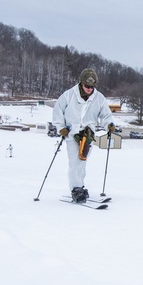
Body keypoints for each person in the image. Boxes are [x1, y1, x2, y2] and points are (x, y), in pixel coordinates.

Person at [52, 68, 115, 203]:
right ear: (81, 83)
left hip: (88, 134)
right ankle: (76, 189)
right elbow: (58, 111)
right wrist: (60, 127)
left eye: (92, 86)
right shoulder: (69, 95)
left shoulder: (99, 98)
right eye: (87, 86)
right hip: (72, 133)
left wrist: (108, 124)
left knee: (81, 161)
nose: (89, 89)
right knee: (75, 162)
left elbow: (105, 115)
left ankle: (79, 186)